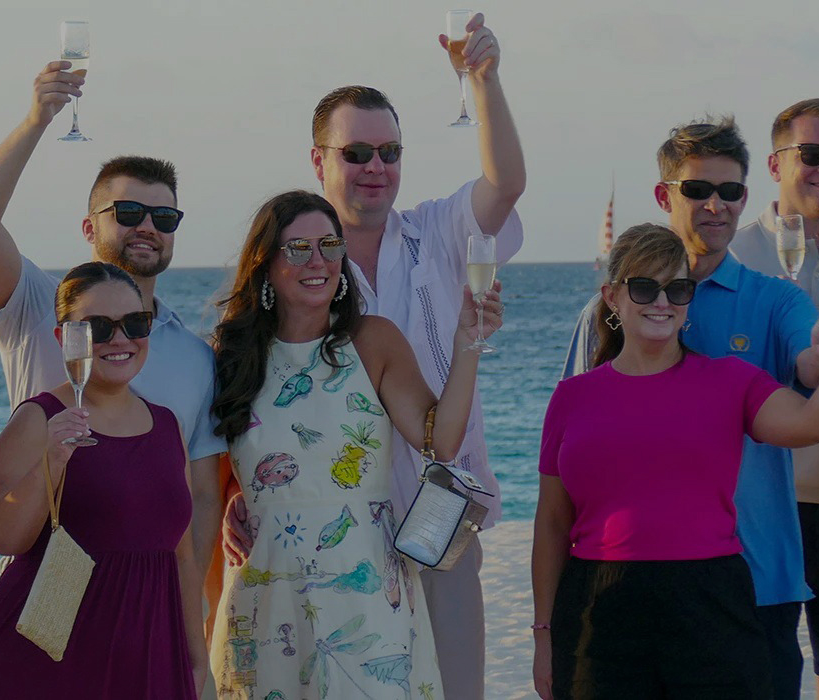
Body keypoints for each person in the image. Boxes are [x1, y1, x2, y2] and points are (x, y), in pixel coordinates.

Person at [562, 117, 819, 698]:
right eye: (698, 190)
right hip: (628, 582)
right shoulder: (607, 311)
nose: (716, 206)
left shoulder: (774, 298)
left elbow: (809, 365)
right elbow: (569, 460)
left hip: (758, 583)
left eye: (730, 192)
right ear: (664, 196)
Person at [297, 15, 525, 695]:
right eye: (356, 153)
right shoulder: (294, 263)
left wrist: (482, 81)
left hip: (444, 517)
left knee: (457, 688)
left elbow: (505, 183)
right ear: (319, 160)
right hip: (334, 526)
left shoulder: (440, 231)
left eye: (389, 152)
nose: (376, 168)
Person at [207, 191, 497, 699]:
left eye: (329, 244)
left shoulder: (373, 340)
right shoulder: (229, 354)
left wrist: (466, 342)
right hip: (267, 589)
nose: (317, 261)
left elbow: (441, 441)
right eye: (297, 248)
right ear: (267, 263)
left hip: (365, 591)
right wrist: (235, 497)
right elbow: (201, 475)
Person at [0, 64, 228, 596]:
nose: (148, 226)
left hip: (146, 597)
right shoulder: (36, 305)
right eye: (128, 211)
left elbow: (199, 496)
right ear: (89, 227)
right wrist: (37, 120)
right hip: (46, 589)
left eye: (164, 217)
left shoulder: (196, 357)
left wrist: (188, 610)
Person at [0, 262, 205, 699]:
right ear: (64, 338)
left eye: (135, 323)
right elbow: (5, 538)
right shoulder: (38, 419)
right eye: (97, 326)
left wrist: (195, 656)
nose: (120, 339)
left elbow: (183, 557)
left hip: (149, 658)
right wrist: (52, 461)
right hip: (48, 663)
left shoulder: (168, 426)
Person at [724, 97, 819, 697]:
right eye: (811, 154)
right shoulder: (735, 252)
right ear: (776, 164)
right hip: (760, 506)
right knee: (759, 676)